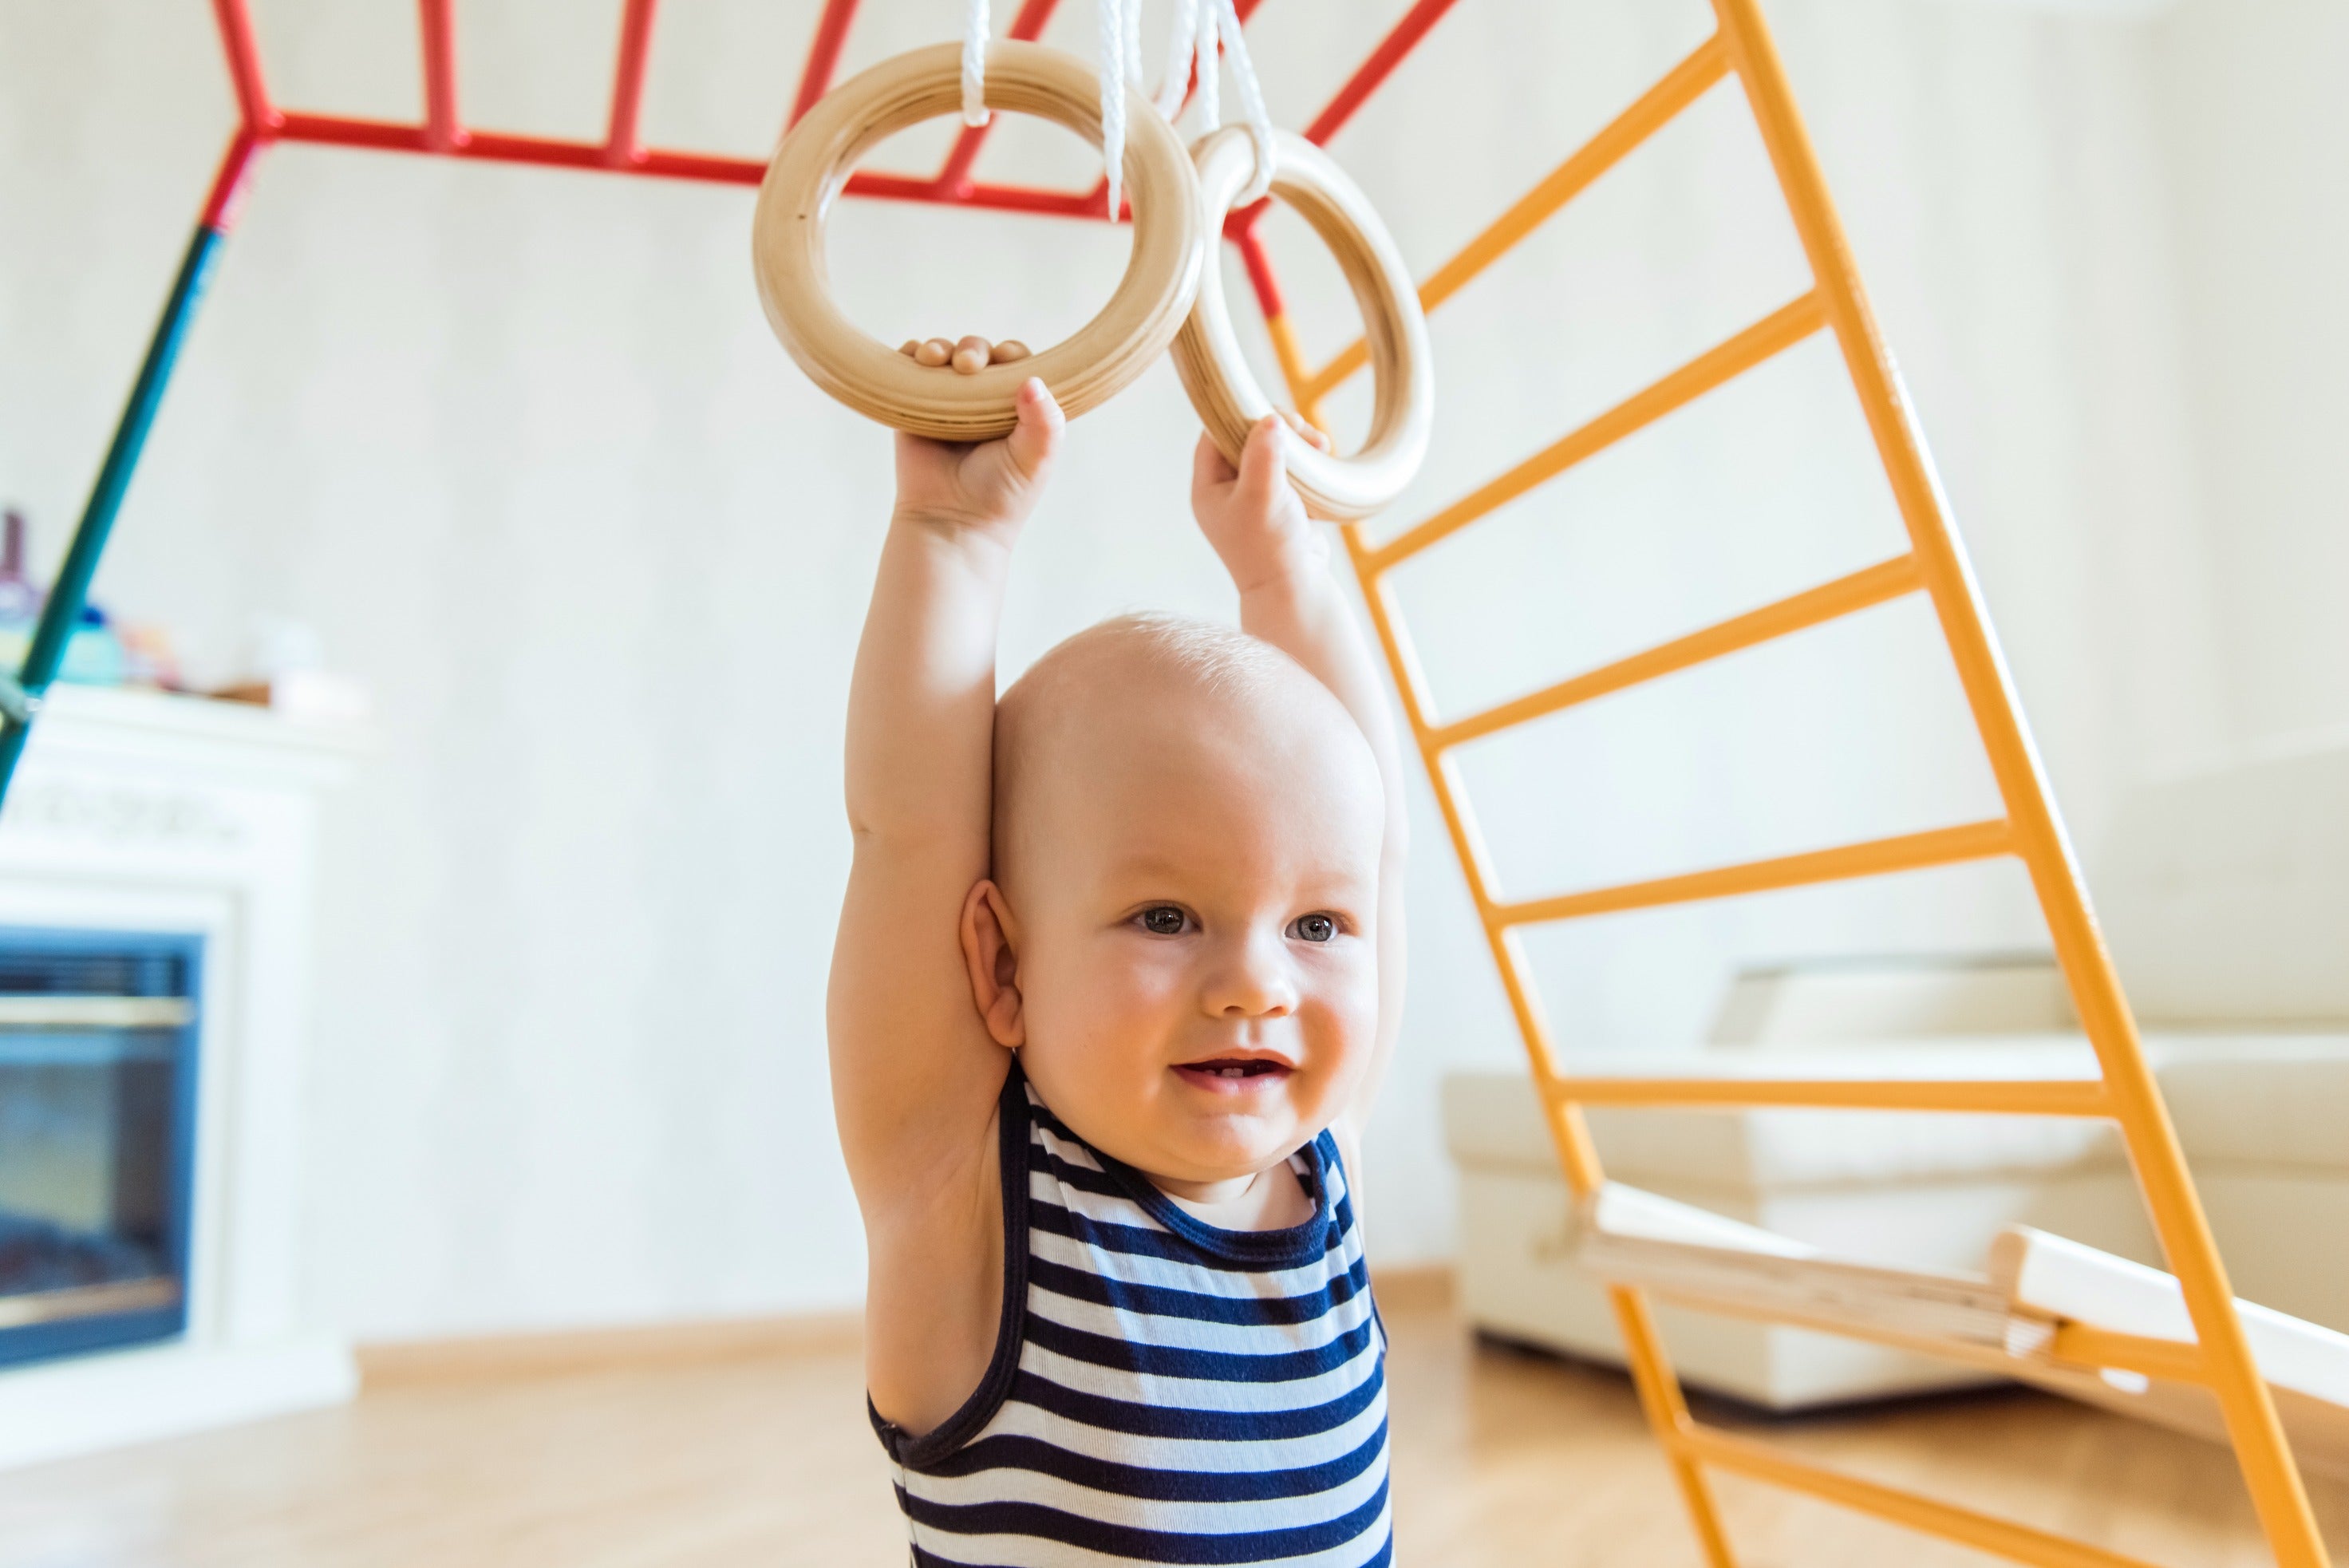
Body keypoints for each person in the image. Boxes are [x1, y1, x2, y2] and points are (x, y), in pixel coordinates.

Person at [829, 376, 1408, 1566]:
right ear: (1001, 964)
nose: (1259, 983)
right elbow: (913, 837)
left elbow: (1370, 840)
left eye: (1314, 928)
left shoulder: (1323, 1159)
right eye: (1164, 914)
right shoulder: (973, 1209)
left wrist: (1284, 571)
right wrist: (951, 535)